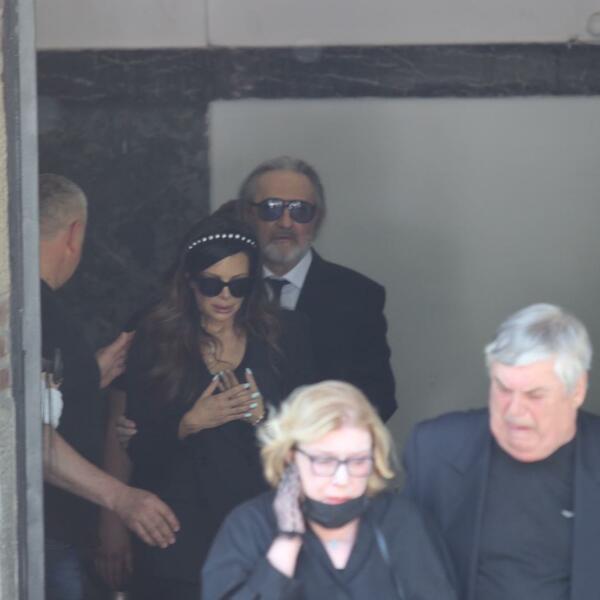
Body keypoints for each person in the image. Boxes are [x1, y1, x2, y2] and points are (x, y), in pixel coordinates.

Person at [124, 214, 315, 599]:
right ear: (189, 282)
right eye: (212, 284)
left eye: (238, 285)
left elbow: (310, 438)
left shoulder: (282, 337)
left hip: (258, 534)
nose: (225, 296)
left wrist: (263, 417)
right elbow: (138, 449)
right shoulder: (157, 339)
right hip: (178, 539)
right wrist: (189, 423)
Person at [39, 174, 180, 600]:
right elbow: (25, 432)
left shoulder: (41, 308)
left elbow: (42, 403)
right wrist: (120, 498)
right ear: (74, 234)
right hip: (44, 537)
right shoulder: (31, 313)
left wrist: (85, 378)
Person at [403, 303, 600, 600]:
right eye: (503, 389)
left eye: (535, 395)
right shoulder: (435, 450)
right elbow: (399, 567)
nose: (514, 411)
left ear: (577, 391)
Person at [203, 381, 457, 599]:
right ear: (290, 456)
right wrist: (286, 545)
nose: (342, 478)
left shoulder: (401, 521)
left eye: (358, 461)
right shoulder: (250, 526)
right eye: (324, 461)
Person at [238, 156, 397, 421]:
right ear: (247, 215)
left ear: (318, 219)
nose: (285, 223)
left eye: (300, 210)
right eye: (271, 208)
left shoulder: (359, 297)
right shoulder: (220, 287)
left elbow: (378, 399)